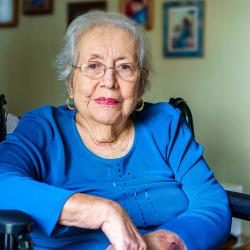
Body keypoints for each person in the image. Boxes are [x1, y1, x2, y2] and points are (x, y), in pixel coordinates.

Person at [0, 11, 231, 250]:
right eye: (93, 65)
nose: (109, 81)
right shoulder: (44, 128)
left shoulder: (166, 125)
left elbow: (211, 203)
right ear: (71, 81)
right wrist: (101, 211)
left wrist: (160, 243)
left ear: (141, 83)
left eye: (124, 67)